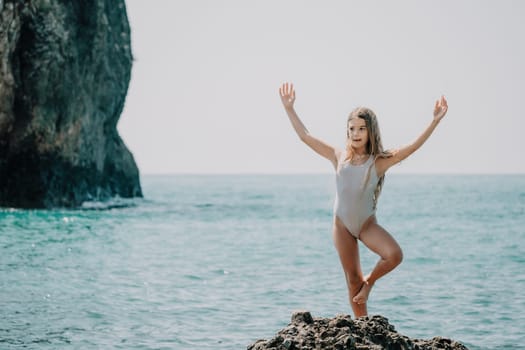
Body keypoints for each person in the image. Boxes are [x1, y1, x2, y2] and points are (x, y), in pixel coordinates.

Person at [278, 82, 448, 318]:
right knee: (352, 280)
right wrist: (289, 108)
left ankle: (370, 284)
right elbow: (304, 136)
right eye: (352, 129)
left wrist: (434, 121)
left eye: (361, 129)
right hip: (342, 226)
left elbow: (411, 148)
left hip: (367, 225)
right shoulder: (338, 156)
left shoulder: (378, 162)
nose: (356, 134)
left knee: (394, 255)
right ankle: (362, 326)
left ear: (371, 132)